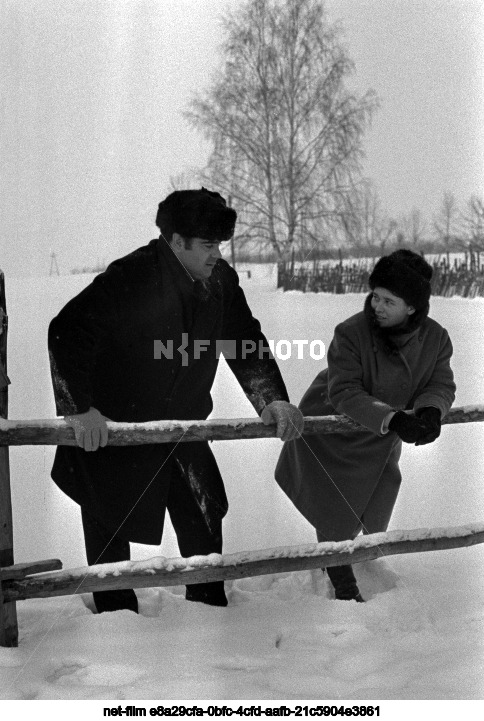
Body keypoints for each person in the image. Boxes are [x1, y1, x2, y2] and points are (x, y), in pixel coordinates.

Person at [49, 187, 304, 613]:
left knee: (204, 518)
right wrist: (79, 409)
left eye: (219, 245)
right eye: (207, 245)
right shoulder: (131, 278)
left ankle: (208, 612)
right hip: (117, 431)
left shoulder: (221, 283)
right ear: (176, 241)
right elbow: (66, 332)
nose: (216, 255)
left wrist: (272, 400)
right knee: (109, 526)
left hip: (183, 426)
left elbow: (244, 342)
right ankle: (114, 625)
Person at [275, 249, 455, 602]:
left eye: (389, 300)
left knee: (372, 501)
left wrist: (431, 410)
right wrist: (393, 418)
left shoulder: (435, 339)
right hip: (337, 427)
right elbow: (344, 390)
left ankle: (347, 555)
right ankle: (339, 574)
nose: (377, 306)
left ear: (412, 308)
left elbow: (439, 383)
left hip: (380, 435)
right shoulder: (352, 332)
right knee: (334, 505)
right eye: (375, 296)